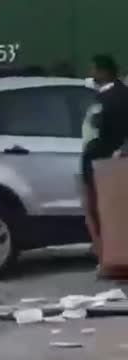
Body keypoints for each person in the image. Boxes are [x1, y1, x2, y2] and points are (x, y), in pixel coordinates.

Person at [81, 54, 128, 265]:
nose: (91, 74)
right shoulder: (102, 96)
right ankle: (108, 257)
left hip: (108, 165)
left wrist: (119, 152)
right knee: (99, 211)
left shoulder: (119, 97)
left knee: (109, 213)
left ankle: (114, 258)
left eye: (94, 69)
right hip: (98, 163)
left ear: (105, 72)